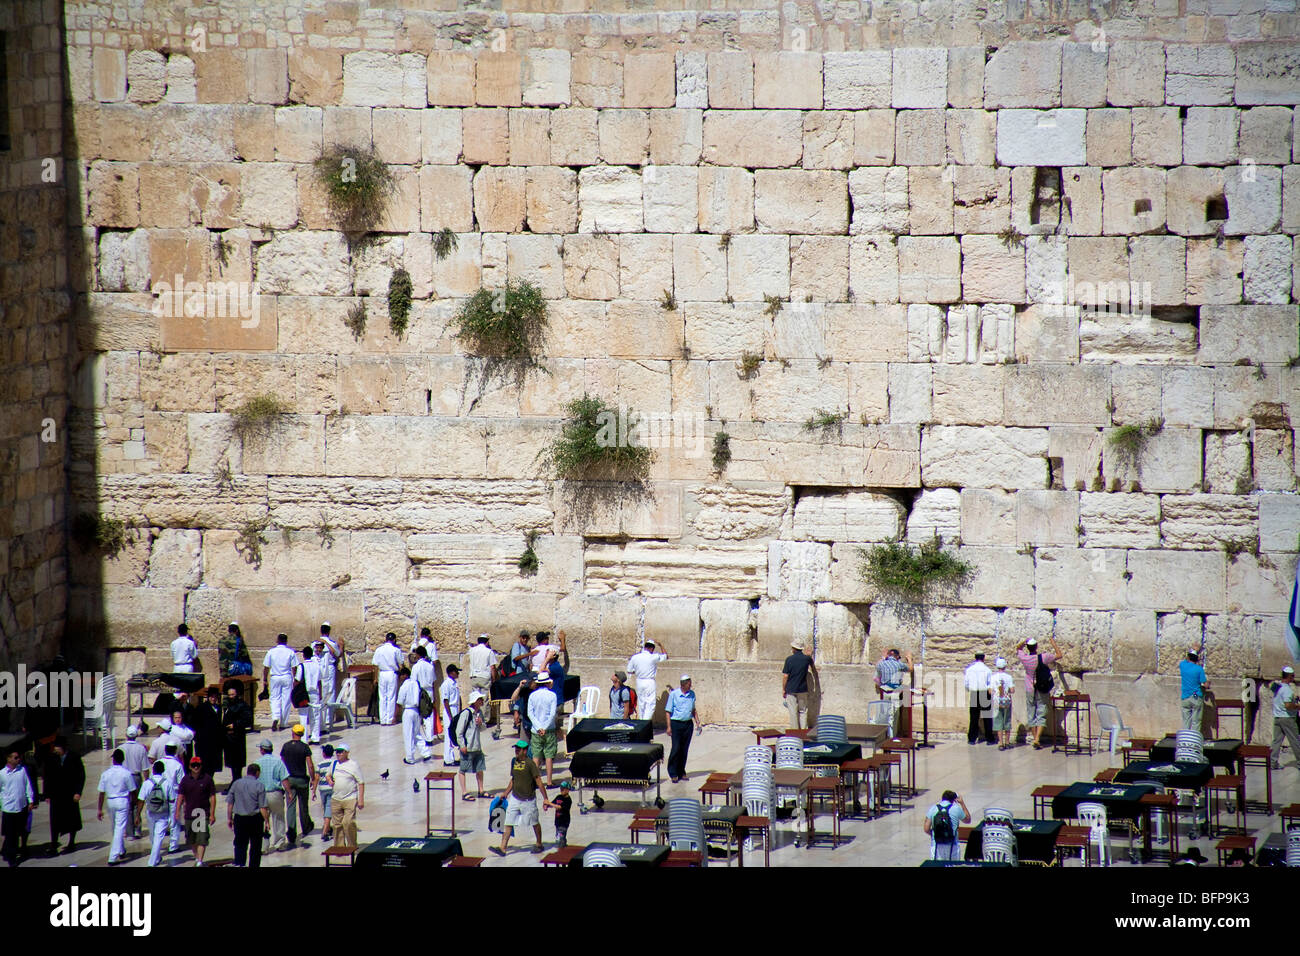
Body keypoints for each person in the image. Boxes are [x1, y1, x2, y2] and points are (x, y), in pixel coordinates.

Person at [490, 739, 549, 856]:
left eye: (519, 749)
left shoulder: (530, 764)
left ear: (525, 751)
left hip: (528, 800)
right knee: (508, 822)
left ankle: (539, 844)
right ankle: (503, 848)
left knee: (534, 822)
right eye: (516, 748)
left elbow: (539, 781)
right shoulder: (514, 761)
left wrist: (545, 798)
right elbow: (513, 779)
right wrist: (506, 793)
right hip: (515, 798)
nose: (516, 751)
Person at [1016, 635, 1063, 749]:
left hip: (1029, 688)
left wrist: (1024, 641)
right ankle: (1037, 739)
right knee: (1041, 713)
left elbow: (1017, 648)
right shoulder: (1044, 657)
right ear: (1036, 647)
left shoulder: (1025, 658)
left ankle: (1035, 738)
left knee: (1031, 713)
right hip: (1041, 688)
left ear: (1028, 647)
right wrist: (1052, 642)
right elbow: (1059, 655)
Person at [42, 738, 84, 855]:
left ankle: (71, 842)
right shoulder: (51, 758)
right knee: (55, 819)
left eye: (58, 748)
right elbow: (47, 776)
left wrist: (78, 792)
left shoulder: (74, 757)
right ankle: (54, 844)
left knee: (72, 818)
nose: (56, 750)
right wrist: (47, 794)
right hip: (56, 794)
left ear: (63, 748)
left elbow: (81, 775)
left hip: (70, 793)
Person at [96, 749, 135, 865]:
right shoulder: (126, 773)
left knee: (115, 827)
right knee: (119, 828)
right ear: (123, 760)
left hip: (110, 801)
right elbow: (133, 790)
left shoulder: (105, 774)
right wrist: (133, 803)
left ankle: (121, 850)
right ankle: (112, 857)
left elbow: (101, 793)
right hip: (122, 801)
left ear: (113, 759)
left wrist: (99, 809)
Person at [227, 763, 269, 868]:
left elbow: (230, 804)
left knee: (240, 845)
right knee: (255, 847)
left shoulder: (236, 783)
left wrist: (229, 818)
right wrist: (267, 821)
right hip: (255, 820)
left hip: (240, 819)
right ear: (257, 773)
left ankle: (239, 865)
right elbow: (262, 807)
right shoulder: (259, 785)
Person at [280, 724, 317, 844]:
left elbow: (283, 762)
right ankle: (306, 827)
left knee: (290, 806)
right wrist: (312, 778)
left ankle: (291, 832)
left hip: (290, 779)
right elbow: (310, 765)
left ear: (292, 732)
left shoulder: (286, 746)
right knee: (303, 806)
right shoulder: (305, 747)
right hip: (302, 779)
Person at [177, 755, 216, 866]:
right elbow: (180, 796)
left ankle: (199, 861)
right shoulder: (185, 780)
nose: (196, 767)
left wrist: (212, 814)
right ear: (189, 767)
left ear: (201, 766)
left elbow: (212, 797)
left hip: (202, 813)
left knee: (202, 838)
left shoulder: (207, 779)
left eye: (197, 765)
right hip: (189, 814)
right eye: (193, 765)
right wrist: (177, 811)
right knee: (192, 839)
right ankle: (197, 858)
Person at [254, 739, 291, 851]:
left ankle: (263, 846)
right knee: (278, 817)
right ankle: (279, 843)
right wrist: (289, 792)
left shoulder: (257, 763)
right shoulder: (278, 761)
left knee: (263, 820)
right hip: (275, 794)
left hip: (261, 795)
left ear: (262, 750)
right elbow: (284, 779)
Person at [665, 675, 703, 783]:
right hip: (676, 724)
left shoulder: (692, 694)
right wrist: (668, 727)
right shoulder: (674, 695)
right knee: (676, 748)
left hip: (687, 724)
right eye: (688, 685)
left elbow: (693, 709)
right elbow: (668, 711)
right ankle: (673, 772)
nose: (690, 686)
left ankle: (681, 771)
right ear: (683, 684)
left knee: (684, 749)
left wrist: (698, 722)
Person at [1, 749, 35, 867]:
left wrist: (30, 800)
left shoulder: (22, 771)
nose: (18, 759)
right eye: (15, 758)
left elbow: (27, 785)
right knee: (10, 834)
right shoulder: (2, 774)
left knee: (18, 833)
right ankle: (11, 857)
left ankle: (12, 851)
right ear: (9, 759)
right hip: (8, 808)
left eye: (18, 757)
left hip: (21, 807)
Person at [139, 760, 176, 867]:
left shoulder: (147, 783)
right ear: (163, 771)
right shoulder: (167, 783)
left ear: (153, 770)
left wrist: (137, 815)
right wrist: (172, 816)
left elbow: (141, 800)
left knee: (153, 836)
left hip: (150, 813)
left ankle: (153, 861)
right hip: (163, 814)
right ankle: (154, 859)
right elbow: (172, 800)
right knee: (158, 837)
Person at [526, 673, 559, 787]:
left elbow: (530, 713)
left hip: (536, 730)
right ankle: (549, 781)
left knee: (536, 755)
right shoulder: (552, 695)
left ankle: (536, 781)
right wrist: (544, 727)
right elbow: (552, 713)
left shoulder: (532, 696)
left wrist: (539, 727)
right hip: (548, 729)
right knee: (549, 756)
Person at [329, 742, 364, 848]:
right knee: (337, 825)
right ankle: (339, 847)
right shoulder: (334, 764)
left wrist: (361, 799)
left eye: (341, 752)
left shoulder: (353, 765)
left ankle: (352, 845)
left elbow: (361, 782)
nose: (338, 754)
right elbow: (328, 775)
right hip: (336, 798)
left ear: (347, 753)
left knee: (348, 822)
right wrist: (330, 780)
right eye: (337, 752)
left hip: (350, 798)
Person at [456, 692, 489, 800]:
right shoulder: (466, 713)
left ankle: (481, 790)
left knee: (480, 768)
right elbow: (459, 731)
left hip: (477, 746)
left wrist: (481, 723)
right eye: (480, 699)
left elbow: (483, 728)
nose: (482, 701)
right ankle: (464, 792)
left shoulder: (479, 713)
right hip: (467, 746)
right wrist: (462, 745)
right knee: (463, 769)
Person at [262, 633, 298, 732]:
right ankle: (283, 723)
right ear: (286, 641)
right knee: (286, 700)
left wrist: (265, 679)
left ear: (277, 640)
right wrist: (296, 679)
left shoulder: (271, 652)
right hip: (286, 677)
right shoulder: (290, 652)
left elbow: (266, 667)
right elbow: (294, 667)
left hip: (275, 677)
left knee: (274, 698)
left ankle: (275, 717)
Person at [221, 680, 253, 786]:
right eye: (229, 694)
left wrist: (235, 725)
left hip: (237, 739)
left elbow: (248, 720)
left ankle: (236, 783)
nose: (231, 697)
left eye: (233, 694)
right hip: (228, 739)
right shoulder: (227, 706)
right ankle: (234, 781)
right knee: (231, 762)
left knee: (237, 763)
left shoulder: (242, 705)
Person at [627, 639, 668, 722]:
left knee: (641, 703)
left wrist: (639, 672)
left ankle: (641, 723)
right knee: (650, 704)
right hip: (649, 681)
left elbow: (629, 670)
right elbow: (666, 656)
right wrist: (660, 645)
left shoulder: (635, 657)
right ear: (652, 648)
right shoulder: (653, 657)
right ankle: (645, 723)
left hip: (639, 681)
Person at [923, 789, 969, 861]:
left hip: (936, 845)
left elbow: (926, 829)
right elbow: (967, 820)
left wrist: (934, 834)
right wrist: (962, 803)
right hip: (952, 845)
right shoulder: (956, 808)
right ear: (953, 800)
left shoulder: (933, 808)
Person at [120, 726, 149, 838]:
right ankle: (137, 829)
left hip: (124, 778)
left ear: (126, 735)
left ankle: (129, 832)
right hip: (136, 777)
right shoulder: (141, 748)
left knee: (128, 804)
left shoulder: (121, 748)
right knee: (137, 803)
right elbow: (145, 768)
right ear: (136, 736)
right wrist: (147, 782)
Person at [397, 667, 430, 765]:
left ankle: (410, 758)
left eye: (401, 675)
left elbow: (400, 701)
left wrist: (395, 716)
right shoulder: (416, 684)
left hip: (408, 710)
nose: (400, 678)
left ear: (405, 675)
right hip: (416, 711)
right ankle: (426, 753)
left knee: (408, 735)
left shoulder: (404, 686)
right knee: (417, 733)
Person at [1269, 665, 1300, 770]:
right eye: (1293, 676)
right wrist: (1297, 706)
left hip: (1277, 717)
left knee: (1276, 742)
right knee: (1295, 740)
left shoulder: (1276, 687)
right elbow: (1287, 705)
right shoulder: (1288, 690)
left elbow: (1279, 697)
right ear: (1289, 677)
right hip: (1287, 719)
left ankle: (1273, 763)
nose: (1293, 678)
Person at [189, 686, 224, 777]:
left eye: (215, 697)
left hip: (215, 742)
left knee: (212, 765)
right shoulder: (201, 708)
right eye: (211, 697)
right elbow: (194, 723)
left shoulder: (219, 708)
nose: (213, 699)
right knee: (204, 764)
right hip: (204, 742)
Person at [782, 639, 817, 730]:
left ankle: (795, 732)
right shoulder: (807, 659)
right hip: (802, 689)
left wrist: (783, 689)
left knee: (793, 712)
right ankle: (804, 731)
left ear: (794, 648)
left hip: (791, 689)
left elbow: (785, 676)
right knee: (803, 711)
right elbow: (813, 668)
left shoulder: (789, 659)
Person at [316, 623, 345, 734]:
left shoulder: (314, 642)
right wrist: (341, 646)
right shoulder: (331, 643)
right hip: (329, 669)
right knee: (330, 692)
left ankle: (321, 718)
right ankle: (328, 718)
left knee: (320, 692)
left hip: (318, 668)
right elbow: (337, 654)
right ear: (328, 631)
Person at [466, 635, 498, 729]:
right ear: (487, 642)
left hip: (474, 676)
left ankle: (474, 718)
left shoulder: (472, 650)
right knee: (484, 699)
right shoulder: (489, 651)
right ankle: (483, 720)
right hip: (484, 677)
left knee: (475, 698)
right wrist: (494, 678)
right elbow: (492, 667)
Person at [160, 743, 187, 853]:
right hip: (174, 795)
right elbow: (182, 783)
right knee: (175, 820)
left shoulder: (159, 763)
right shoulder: (178, 765)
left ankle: (157, 844)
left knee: (161, 820)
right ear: (175, 751)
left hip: (161, 794)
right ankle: (173, 846)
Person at [964, 652, 996, 745]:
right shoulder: (987, 670)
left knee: (974, 717)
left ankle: (972, 739)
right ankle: (989, 738)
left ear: (975, 658)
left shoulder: (969, 670)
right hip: (984, 693)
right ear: (983, 658)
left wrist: (970, 690)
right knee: (987, 717)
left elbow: (966, 683)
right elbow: (990, 684)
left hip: (974, 693)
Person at [372, 633, 404, 726]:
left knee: (382, 696)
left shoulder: (379, 650)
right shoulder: (396, 650)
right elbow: (401, 663)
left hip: (382, 673)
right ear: (394, 640)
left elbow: (375, 665)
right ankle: (389, 719)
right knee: (391, 696)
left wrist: (375, 678)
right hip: (391, 673)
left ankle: (383, 719)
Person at [411, 646, 438, 751]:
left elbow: (413, 682)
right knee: (429, 715)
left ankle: (419, 737)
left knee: (419, 715)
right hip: (429, 691)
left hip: (420, 691)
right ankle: (429, 738)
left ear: (418, 655)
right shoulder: (430, 666)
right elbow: (434, 681)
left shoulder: (416, 667)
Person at [296, 645, 323, 745]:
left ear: (303, 655)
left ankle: (304, 739)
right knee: (315, 716)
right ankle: (315, 737)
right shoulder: (317, 666)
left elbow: (297, 680)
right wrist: (320, 694)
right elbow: (319, 681)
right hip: (314, 692)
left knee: (303, 715)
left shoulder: (301, 666)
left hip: (304, 693)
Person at [1179, 647, 1209, 733]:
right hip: (1195, 695)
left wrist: (1193, 649)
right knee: (1196, 721)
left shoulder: (1183, 666)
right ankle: (1194, 739)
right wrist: (1208, 683)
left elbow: (1185, 659)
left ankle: (1186, 739)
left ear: (1188, 657)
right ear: (1197, 659)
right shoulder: (1199, 669)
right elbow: (1205, 684)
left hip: (1185, 696)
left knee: (1186, 721)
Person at [990, 658, 1016, 750]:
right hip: (1007, 701)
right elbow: (1012, 690)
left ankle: (1000, 743)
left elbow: (990, 691)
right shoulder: (1009, 677)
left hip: (997, 701)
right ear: (1005, 666)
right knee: (1007, 721)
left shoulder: (993, 677)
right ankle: (1007, 742)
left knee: (998, 721)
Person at [440, 664, 463, 766]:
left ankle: (452, 757)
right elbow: (445, 701)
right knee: (449, 735)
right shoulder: (446, 684)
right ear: (450, 673)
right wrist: (450, 716)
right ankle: (448, 759)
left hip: (455, 709)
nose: (457, 673)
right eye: (456, 672)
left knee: (454, 734)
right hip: (450, 709)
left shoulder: (454, 683)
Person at [317, 744, 338, 841]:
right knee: (328, 808)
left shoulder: (320, 764)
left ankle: (325, 830)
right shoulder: (335, 763)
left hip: (322, 789)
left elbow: (317, 777)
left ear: (324, 753)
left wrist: (313, 791)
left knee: (326, 807)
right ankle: (327, 829)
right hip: (331, 788)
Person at [551, 779, 573, 847]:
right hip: (557, 820)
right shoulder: (558, 797)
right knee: (558, 835)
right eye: (561, 788)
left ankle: (562, 846)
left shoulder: (568, 800)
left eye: (563, 789)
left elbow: (559, 807)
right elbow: (553, 803)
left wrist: (549, 803)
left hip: (564, 821)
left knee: (560, 836)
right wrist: (546, 805)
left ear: (568, 790)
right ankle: (563, 843)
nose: (561, 790)